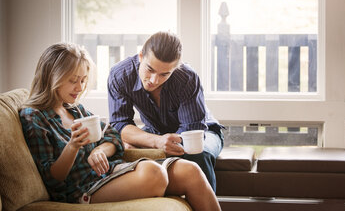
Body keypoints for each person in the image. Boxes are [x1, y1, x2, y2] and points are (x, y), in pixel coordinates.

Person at [19, 43, 221, 210]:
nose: (80, 88)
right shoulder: (34, 117)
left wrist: (100, 150)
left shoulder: (75, 110)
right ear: (51, 77)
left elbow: (114, 136)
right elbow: (53, 178)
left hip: (110, 173)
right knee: (153, 173)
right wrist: (73, 146)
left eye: (83, 80)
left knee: (191, 170)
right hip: (82, 189)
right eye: (73, 81)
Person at [108, 31, 224, 192]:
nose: (154, 80)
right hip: (156, 132)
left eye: (164, 74)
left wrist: (161, 144)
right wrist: (156, 142)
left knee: (197, 154)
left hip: (203, 132)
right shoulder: (120, 75)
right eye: (150, 69)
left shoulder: (187, 78)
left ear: (175, 68)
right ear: (141, 56)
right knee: (121, 149)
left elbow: (192, 130)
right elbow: (119, 124)